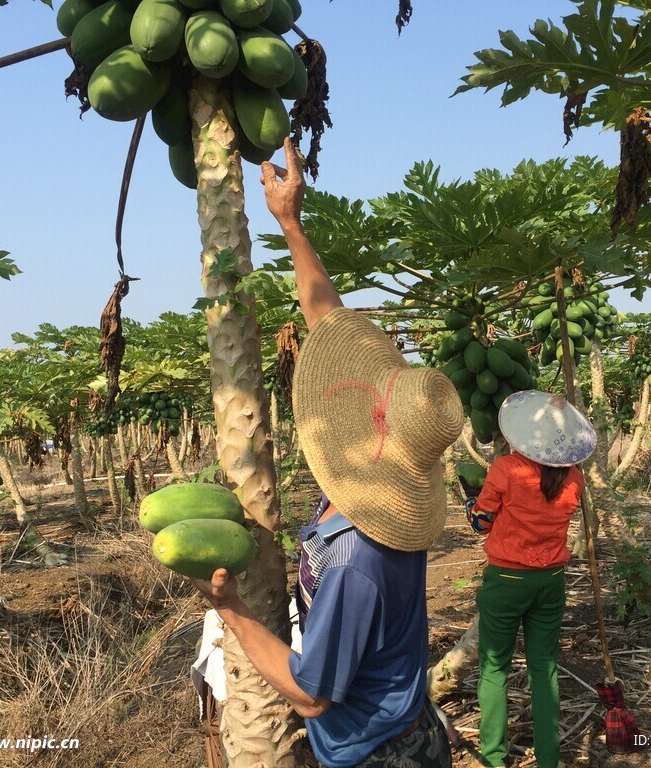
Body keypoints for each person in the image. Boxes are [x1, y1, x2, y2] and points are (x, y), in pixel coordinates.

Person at [188, 138, 463, 768]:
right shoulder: (377, 498)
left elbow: (311, 695)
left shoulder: (354, 560)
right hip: (408, 727)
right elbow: (327, 316)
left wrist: (231, 612)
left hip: (379, 755)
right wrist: (289, 221)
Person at [465, 390, 597, 768]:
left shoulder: (506, 469)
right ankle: (549, 760)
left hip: (507, 580)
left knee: (494, 669)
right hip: (551, 580)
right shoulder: (574, 480)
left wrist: (470, 506)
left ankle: (492, 757)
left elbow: (481, 524)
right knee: (545, 669)